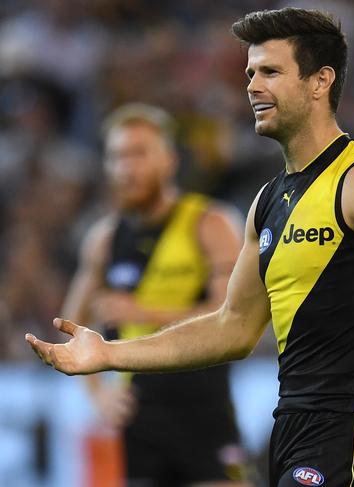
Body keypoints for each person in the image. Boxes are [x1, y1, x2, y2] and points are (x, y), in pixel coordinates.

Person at [27, 8, 354, 486]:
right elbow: (232, 326)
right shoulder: (268, 201)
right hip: (293, 424)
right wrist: (110, 354)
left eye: (270, 71)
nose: (251, 85)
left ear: (320, 81)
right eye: (250, 72)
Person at [59, 103, 250, 487]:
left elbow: (235, 314)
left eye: (139, 153)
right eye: (117, 156)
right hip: (138, 423)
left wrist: (143, 311)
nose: (126, 167)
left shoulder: (210, 224)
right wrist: (98, 396)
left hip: (204, 414)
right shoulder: (104, 239)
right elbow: (70, 326)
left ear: (170, 160)